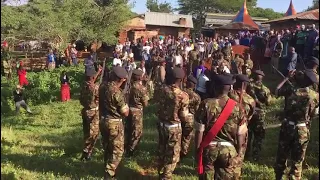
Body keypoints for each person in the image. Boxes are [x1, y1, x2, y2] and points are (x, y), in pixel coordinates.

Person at [194, 74, 247, 179]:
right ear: (230, 88)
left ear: (214, 87)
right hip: (229, 149)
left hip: (209, 148)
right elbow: (241, 133)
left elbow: (199, 130)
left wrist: (197, 150)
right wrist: (238, 151)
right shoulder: (238, 107)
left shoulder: (206, 104)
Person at [274, 69, 319, 180]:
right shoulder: (315, 95)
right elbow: (314, 113)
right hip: (302, 129)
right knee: (298, 160)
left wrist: (287, 78)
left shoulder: (291, 90)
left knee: (282, 156)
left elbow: (276, 91)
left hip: (288, 127)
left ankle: (279, 177)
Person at [156, 67, 189, 180]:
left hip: (161, 124)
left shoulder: (162, 89)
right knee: (172, 154)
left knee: (162, 148)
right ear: (181, 79)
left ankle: (160, 170)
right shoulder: (183, 95)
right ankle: (166, 176)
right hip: (174, 127)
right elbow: (184, 116)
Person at [99, 66, 129, 180]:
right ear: (121, 79)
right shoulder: (117, 92)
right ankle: (109, 173)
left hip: (103, 120)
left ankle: (108, 170)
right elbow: (125, 112)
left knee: (108, 148)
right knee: (117, 151)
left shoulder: (103, 86)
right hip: (114, 124)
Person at [228, 74, 256, 177]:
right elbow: (250, 115)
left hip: (228, 129)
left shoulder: (229, 95)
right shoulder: (250, 100)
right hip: (243, 129)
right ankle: (236, 174)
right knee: (240, 153)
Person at [246, 70, 271, 161]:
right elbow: (268, 103)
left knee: (248, 134)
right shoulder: (266, 89)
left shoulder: (248, 86)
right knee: (258, 136)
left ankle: (246, 153)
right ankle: (256, 155)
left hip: (249, 113)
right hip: (260, 114)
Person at [125, 69, 149, 156]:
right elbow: (145, 103)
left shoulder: (129, 86)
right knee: (137, 132)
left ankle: (126, 147)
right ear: (139, 77)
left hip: (128, 109)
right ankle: (132, 150)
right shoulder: (141, 88)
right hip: (137, 111)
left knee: (128, 129)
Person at [79, 68, 102, 161]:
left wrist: (98, 72)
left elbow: (91, 80)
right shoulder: (96, 87)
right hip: (93, 112)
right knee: (93, 134)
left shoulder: (84, 85)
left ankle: (86, 149)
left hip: (85, 111)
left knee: (86, 132)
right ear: (92, 77)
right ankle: (87, 152)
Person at [181, 75, 201, 159]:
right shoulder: (197, 97)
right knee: (187, 137)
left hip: (179, 116)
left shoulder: (181, 93)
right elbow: (197, 110)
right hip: (190, 118)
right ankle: (183, 153)